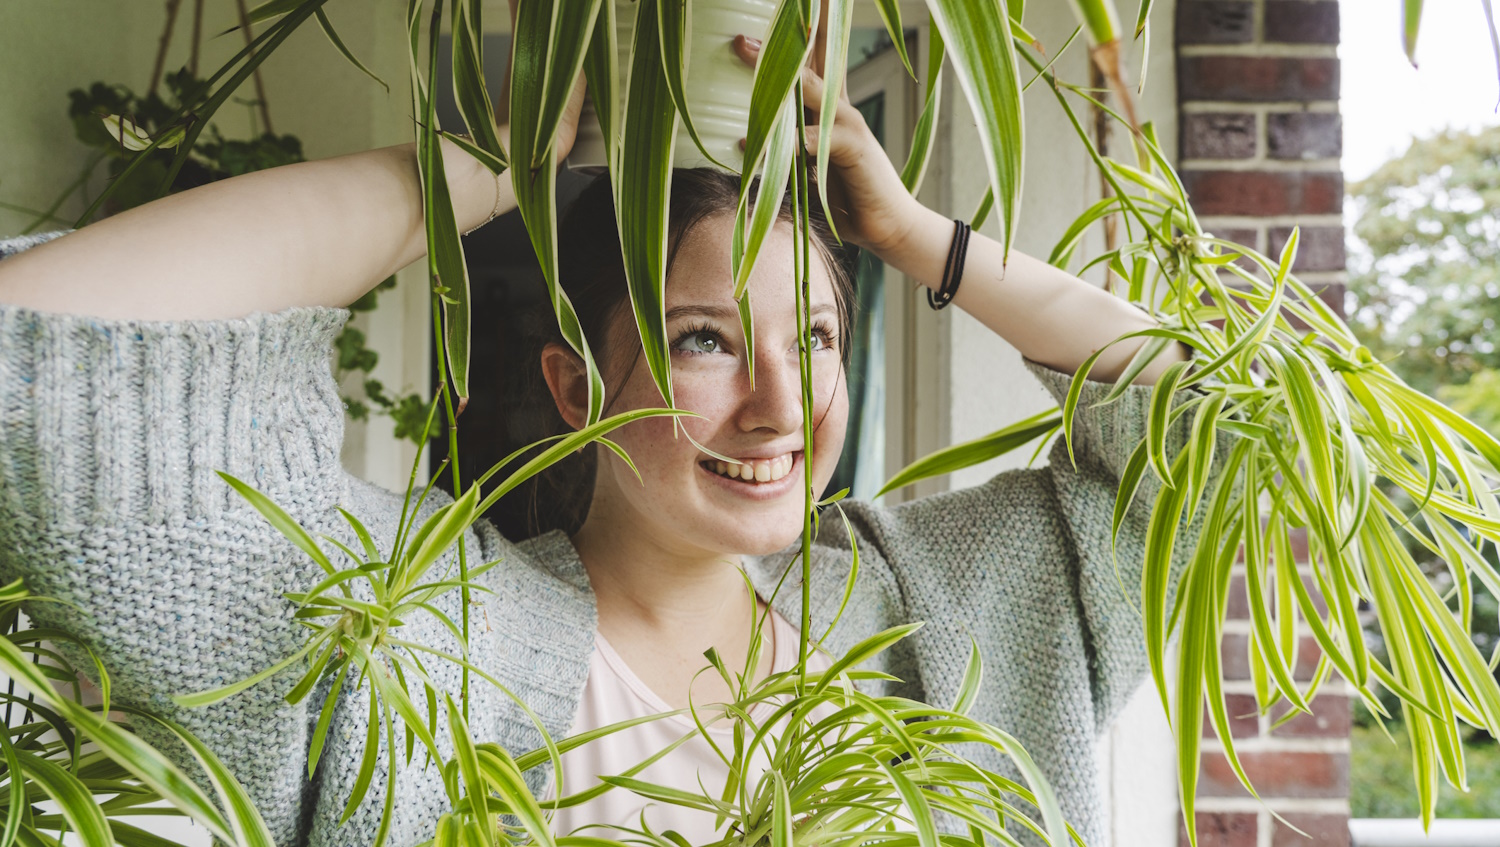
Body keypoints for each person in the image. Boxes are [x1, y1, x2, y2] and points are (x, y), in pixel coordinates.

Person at [0, 33, 1195, 847]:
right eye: (705, 343)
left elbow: (1211, 429)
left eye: (818, 335)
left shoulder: (941, 613)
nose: (783, 405)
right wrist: (470, 175)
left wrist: (918, 231)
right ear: (574, 388)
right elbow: (49, 340)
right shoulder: (423, 641)